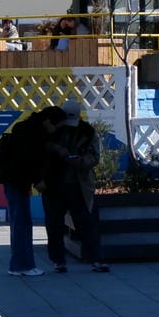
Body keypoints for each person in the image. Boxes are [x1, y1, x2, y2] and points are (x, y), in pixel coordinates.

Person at [0, 105, 62, 276]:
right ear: (47, 121)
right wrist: (38, 181)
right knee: (22, 223)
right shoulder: (33, 135)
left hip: (12, 180)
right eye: (56, 125)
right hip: (17, 181)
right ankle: (23, 266)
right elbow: (27, 162)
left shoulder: (25, 128)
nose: (56, 129)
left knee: (19, 222)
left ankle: (19, 264)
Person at [41, 99, 107, 273]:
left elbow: (95, 157)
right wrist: (56, 149)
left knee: (85, 223)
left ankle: (96, 258)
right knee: (54, 225)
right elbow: (41, 149)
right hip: (54, 184)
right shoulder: (51, 130)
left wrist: (81, 162)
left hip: (78, 185)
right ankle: (58, 260)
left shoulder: (88, 132)